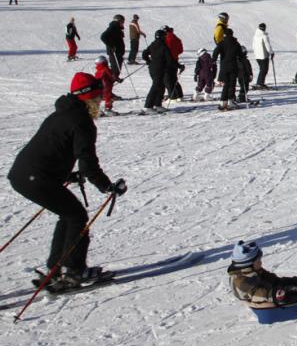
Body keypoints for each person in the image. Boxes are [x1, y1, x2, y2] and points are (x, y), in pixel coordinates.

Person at [7, 73, 127, 288]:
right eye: (98, 96)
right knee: (76, 216)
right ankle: (74, 271)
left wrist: (66, 175)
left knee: (68, 214)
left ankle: (56, 268)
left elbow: (52, 149)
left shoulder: (61, 114)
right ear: (88, 97)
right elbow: (88, 163)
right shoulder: (81, 121)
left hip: (23, 175)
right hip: (37, 178)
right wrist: (107, 186)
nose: (101, 100)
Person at [141, 29, 173, 113]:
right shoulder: (164, 46)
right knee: (156, 86)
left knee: (161, 86)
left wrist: (148, 61)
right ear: (162, 37)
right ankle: (148, 106)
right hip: (160, 69)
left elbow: (144, 54)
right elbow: (170, 59)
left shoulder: (153, 44)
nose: (165, 37)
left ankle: (158, 104)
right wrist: (178, 66)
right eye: (165, 36)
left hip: (152, 68)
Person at [212, 27, 245, 111]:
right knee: (232, 85)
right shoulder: (236, 43)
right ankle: (230, 101)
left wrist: (213, 60)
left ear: (224, 35)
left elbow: (216, 51)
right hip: (233, 67)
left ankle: (222, 102)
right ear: (232, 34)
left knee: (226, 85)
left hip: (224, 67)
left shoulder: (222, 43)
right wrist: (242, 61)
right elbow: (241, 55)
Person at [163, 26, 184, 101]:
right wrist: (175, 54)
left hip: (166, 61)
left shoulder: (165, 39)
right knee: (174, 79)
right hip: (175, 61)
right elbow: (181, 50)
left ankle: (172, 97)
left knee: (167, 80)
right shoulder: (177, 38)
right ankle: (179, 95)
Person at [252, 23, 273, 89]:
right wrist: (271, 52)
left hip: (257, 56)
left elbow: (253, 46)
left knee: (262, 70)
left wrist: (255, 53)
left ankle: (260, 83)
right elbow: (267, 46)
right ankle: (260, 83)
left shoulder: (255, 36)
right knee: (264, 70)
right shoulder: (264, 36)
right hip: (264, 56)